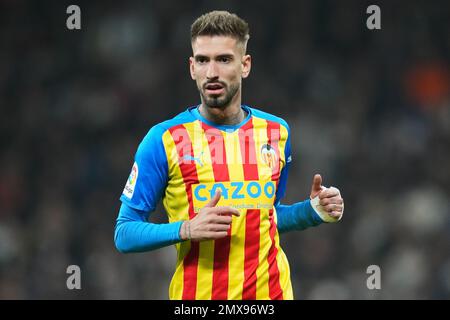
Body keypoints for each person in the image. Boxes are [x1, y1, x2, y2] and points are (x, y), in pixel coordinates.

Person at [114, 10, 344, 300]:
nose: (212, 72)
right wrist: (185, 229)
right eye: (203, 60)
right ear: (191, 67)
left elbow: (265, 217)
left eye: (224, 59)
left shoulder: (276, 132)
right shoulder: (164, 139)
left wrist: (311, 212)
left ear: (245, 65)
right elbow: (124, 233)